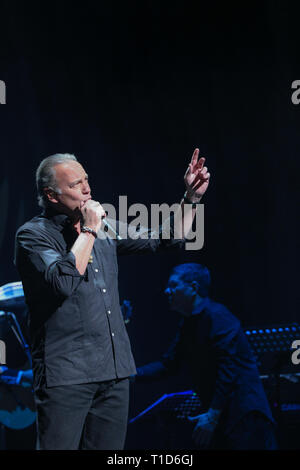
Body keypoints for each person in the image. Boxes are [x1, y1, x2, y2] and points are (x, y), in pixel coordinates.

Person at [14, 149, 210, 450]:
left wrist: (191, 198)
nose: (87, 189)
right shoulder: (32, 236)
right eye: (76, 184)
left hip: (114, 372)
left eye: (86, 180)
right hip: (66, 377)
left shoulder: (104, 228)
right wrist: (90, 229)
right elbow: (64, 282)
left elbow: (166, 237)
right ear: (51, 195)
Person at [136, 263, 277, 449]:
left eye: (173, 285)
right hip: (222, 416)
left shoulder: (218, 316)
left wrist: (212, 415)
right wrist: (131, 374)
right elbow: (170, 364)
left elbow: (229, 370)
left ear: (193, 288)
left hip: (245, 417)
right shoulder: (189, 323)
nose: (166, 291)